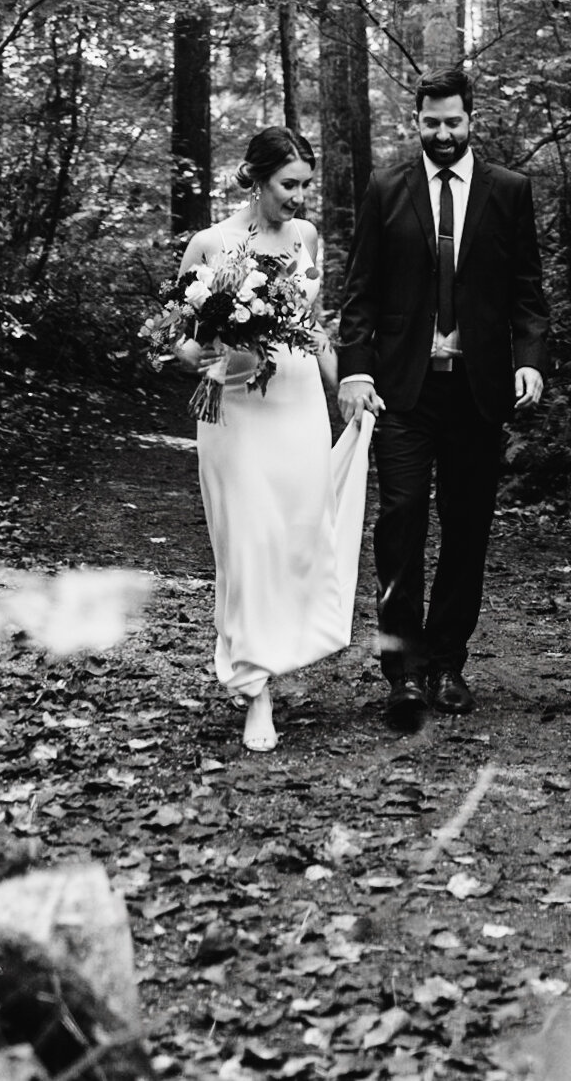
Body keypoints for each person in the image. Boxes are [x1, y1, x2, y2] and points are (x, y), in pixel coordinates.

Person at [336, 69, 549, 729]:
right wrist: (354, 372)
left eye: (453, 122)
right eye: (431, 123)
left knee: (465, 529)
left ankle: (446, 664)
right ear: (417, 122)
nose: (443, 133)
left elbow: (526, 292)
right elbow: (360, 293)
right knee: (399, 523)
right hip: (404, 389)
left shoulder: (509, 192)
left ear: (470, 120)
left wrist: (530, 362)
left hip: (478, 389)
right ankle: (401, 672)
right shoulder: (386, 187)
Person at [175, 126, 372, 754]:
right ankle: (255, 689)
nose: (300, 198)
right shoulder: (209, 244)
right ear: (255, 180)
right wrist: (213, 354)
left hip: (297, 406)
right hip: (234, 414)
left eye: (306, 185)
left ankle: (286, 644)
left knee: (296, 533)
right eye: (290, 185)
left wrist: (350, 392)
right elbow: (181, 343)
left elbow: (315, 331)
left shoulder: (308, 239)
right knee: (249, 543)